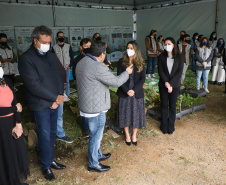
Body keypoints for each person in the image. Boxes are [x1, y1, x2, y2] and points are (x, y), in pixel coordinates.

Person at [76, 41, 133, 173]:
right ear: (102, 54)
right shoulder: (97, 66)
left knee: (95, 133)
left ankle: (98, 155)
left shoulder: (82, 61)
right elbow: (115, 82)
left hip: (88, 104)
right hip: (95, 107)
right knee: (96, 136)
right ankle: (93, 163)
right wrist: (127, 72)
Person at [18, 25, 66, 181]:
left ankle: (50, 159)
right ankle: (45, 165)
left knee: (53, 133)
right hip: (40, 104)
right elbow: (34, 85)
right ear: (35, 40)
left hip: (55, 101)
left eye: (49, 42)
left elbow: (59, 75)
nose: (47, 44)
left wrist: (59, 96)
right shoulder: (26, 58)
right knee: (45, 135)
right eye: (44, 41)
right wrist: (54, 98)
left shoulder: (51, 54)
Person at [0, 59, 30, 185]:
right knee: (3, 155)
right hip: (1, 126)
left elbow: (16, 102)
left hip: (11, 123)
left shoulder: (6, 81)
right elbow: (15, 107)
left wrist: (18, 123)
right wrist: (15, 109)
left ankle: (14, 181)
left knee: (13, 153)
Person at [117, 41, 146, 146]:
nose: (129, 50)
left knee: (136, 115)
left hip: (136, 93)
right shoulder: (121, 62)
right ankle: (127, 135)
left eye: (132, 48)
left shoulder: (140, 63)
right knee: (125, 114)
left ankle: (134, 134)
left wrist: (134, 90)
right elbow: (119, 78)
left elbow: (142, 79)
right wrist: (126, 90)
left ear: (136, 50)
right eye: (128, 48)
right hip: (125, 92)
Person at [158, 37, 184, 134]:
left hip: (175, 85)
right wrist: (166, 83)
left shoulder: (179, 57)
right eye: (165, 44)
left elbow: (179, 72)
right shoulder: (161, 56)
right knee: (164, 105)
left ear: (173, 45)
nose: (167, 46)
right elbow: (160, 71)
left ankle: (171, 126)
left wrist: (171, 84)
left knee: (172, 106)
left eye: (169, 44)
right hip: (163, 85)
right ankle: (164, 126)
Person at [72, 38, 91, 137]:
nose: (88, 48)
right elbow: (75, 75)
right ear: (81, 48)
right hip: (82, 86)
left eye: (89, 47)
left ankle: (92, 126)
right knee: (84, 107)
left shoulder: (93, 58)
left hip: (92, 87)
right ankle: (85, 128)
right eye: (86, 46)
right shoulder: (77, 59)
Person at [56, 60, 73, 143]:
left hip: (59, 92)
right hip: (45, 94)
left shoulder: (52, 57)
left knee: (59, 115)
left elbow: (62, 71)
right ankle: (50, 135)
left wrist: (64, 83)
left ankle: (60, 134)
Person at [53, 31, 74, 97]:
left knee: (67, 82)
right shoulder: (54, 47)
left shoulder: (68, 46)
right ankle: (61, 95)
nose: (61, 38)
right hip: (59, 69)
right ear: (57, 37)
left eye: (62, 36)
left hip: (67, 68)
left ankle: (67, 95)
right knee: (59, 82)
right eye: (60, 37)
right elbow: (52, 59)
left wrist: (70, 66)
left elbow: (72, 57)